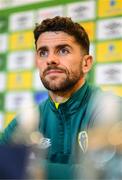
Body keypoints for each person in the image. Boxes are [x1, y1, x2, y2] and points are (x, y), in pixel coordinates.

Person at [0, 16, 121, 179]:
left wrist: (29, 168)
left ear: (86, 63)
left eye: (63, 50)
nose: (50, 60)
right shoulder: (26, 121)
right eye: (43, 52)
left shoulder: (112, 110)